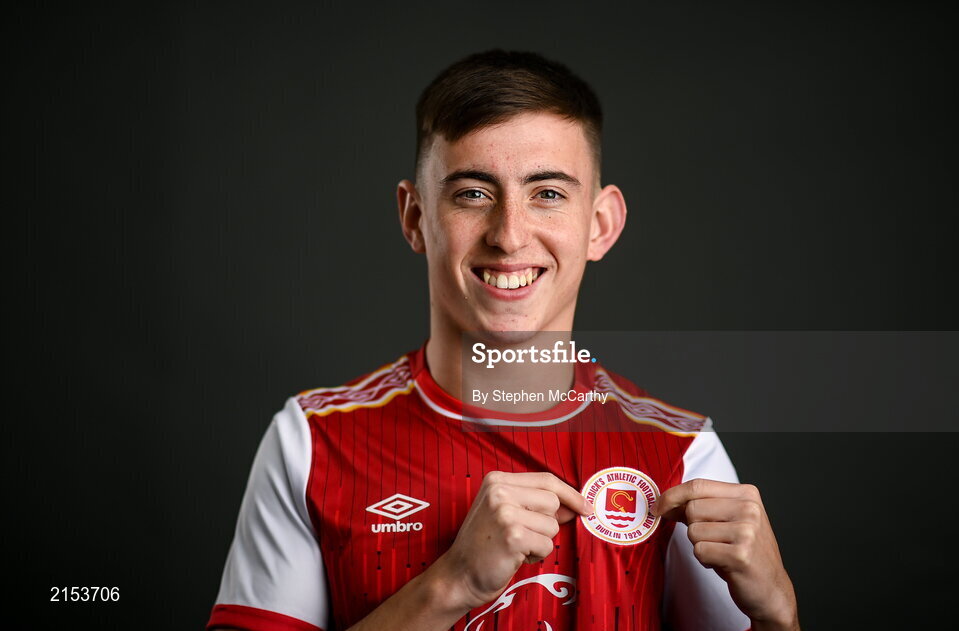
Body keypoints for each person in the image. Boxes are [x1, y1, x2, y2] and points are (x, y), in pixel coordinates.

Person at [207, 49, 799, 631]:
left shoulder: (681, 453)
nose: (510, 235)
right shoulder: (312, 442)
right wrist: (453, 583)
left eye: (547, 193)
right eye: (472, 193)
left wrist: (779, 618)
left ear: (600, 225)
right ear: (415, 218)